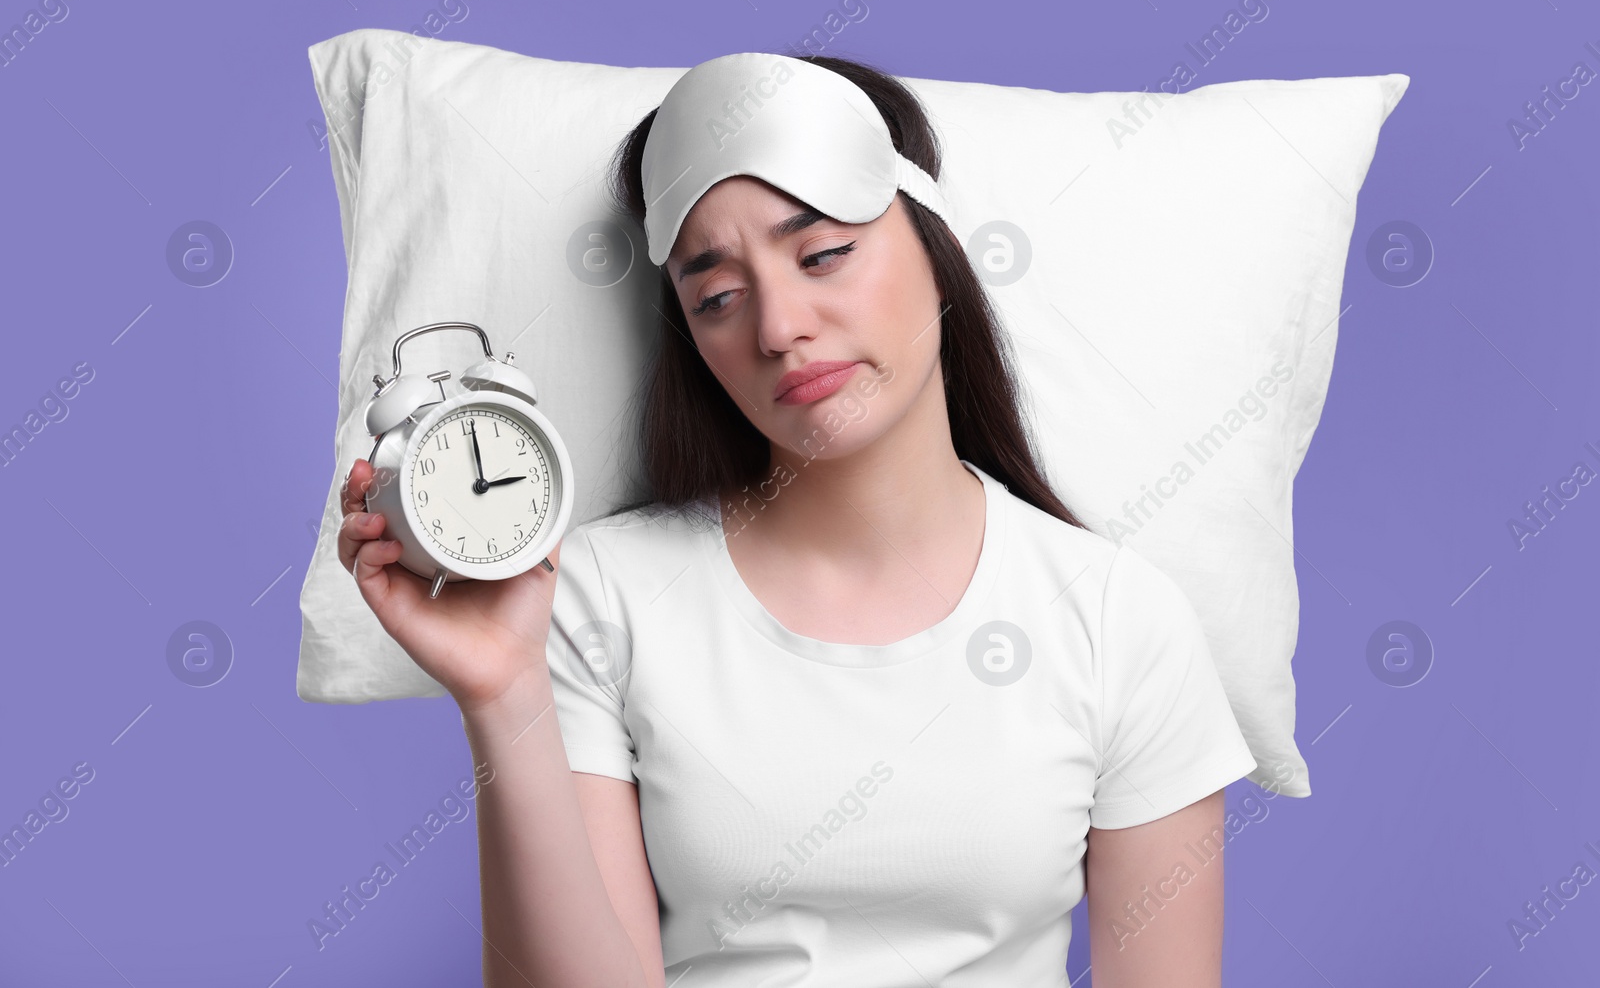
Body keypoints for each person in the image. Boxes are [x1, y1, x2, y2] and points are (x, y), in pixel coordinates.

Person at [337, 51, 1257, 988]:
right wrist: (504, 699)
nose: (778, 326)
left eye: (823, 255)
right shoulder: (596, 599)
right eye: (718, 298)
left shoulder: (1117, 618)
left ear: (936, 251)